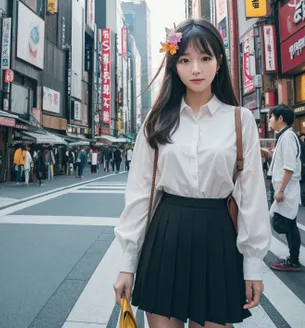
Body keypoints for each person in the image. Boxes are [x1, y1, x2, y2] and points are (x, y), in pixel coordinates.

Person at [113, 19, 271, 328]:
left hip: (218, 238)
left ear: (219, 62)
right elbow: (140, 192)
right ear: (174, 66)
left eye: (205, 58)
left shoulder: (240, 120)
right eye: (185, 60)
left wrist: (253, 266)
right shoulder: (156, 120)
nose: (195, 69)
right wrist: (127, 264)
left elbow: (251, 195)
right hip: (165, 236)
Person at [268, 105, 302, 272]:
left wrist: (280, 190)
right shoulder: (285, 136)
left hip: (287, 188)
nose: (269, 120)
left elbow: (289, 167)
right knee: (288, 224)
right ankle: (293, 259)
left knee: (288, 225)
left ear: (280, 118)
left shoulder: (287, 137)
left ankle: (294, 261)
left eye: (271, 117)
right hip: (285, 187)